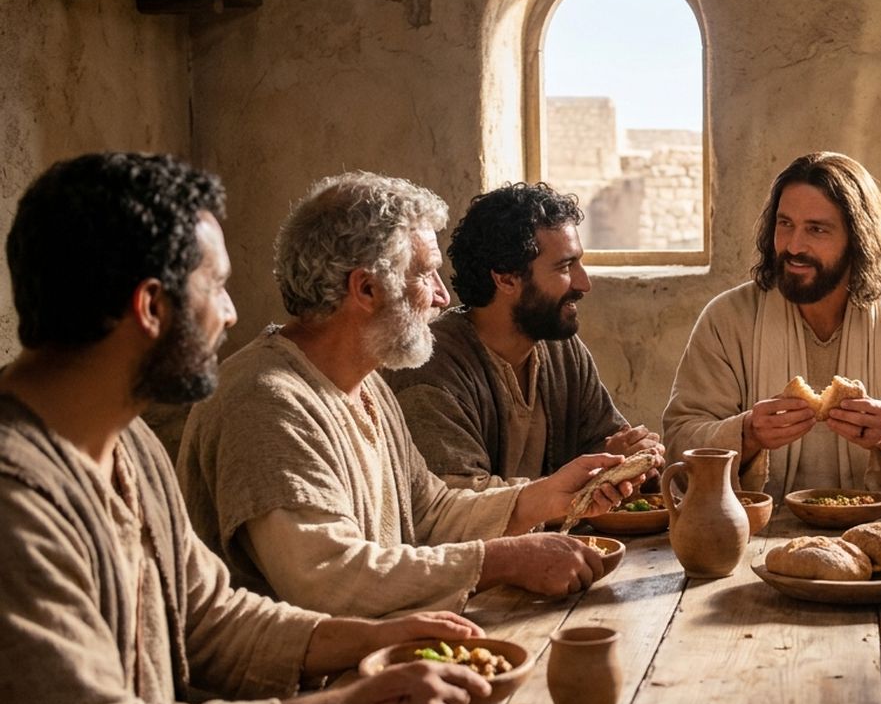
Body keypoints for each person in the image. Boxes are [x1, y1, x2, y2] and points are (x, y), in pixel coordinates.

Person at [0, 153, 497, 704]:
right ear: (150, 306)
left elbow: (211, 617)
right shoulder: (16, 496)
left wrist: (372, 638)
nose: (233, 316)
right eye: (218, 288)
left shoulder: (130, 442)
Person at [179, 172, 647, 619]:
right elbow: (328, 578)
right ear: (365, 288)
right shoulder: (267, 402)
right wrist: (500, 562)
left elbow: (429, 511)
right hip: (291, 694)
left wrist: (549, 496)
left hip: (378, 660)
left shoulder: (367, 386)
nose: (443, 298)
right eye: (426, 275)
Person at [663, 151, 881, 499]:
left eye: (817, 229)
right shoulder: (728, 318)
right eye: (785, 224)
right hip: (755, 535)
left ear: (857, 239)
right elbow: (679, 441)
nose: (794, 246)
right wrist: (748, 434)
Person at [385, 182, 659, 490]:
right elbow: (458, 504)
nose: (584, 284)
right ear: (506, 279)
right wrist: (593, 476)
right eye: (566, 266)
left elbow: (604, 442)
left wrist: (631, 457)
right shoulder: (431, 370)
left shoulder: (561, 348)